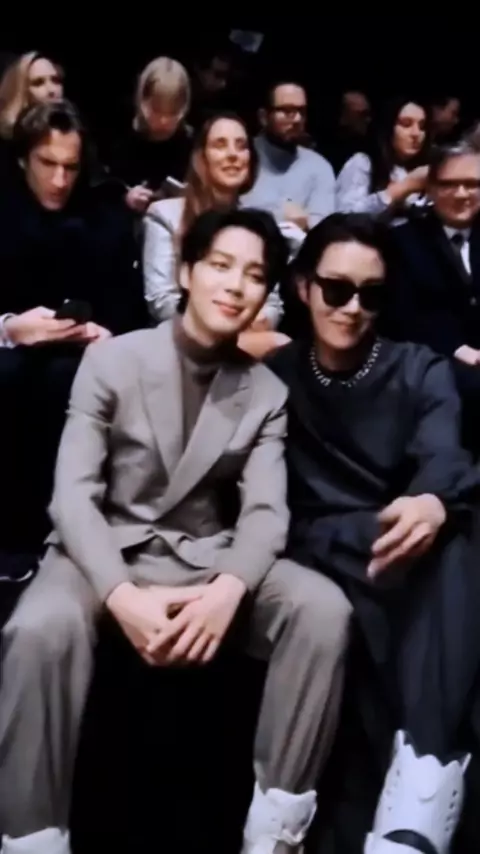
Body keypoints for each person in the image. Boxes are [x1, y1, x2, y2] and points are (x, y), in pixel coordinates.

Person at [0, 208, 351, 854]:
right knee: (38, 627)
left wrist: (229, 589)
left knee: (322, 608)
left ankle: (276, 830)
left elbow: (266, 513)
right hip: (100, 549)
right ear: (187, 272)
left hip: (205, 557)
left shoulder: (265, 393)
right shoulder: (112, 360)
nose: (235, 285)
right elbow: (73, 497)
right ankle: (31, 835)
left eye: (254, 275)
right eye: (220, 265)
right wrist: (119, 595)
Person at [267, 213, 480, 854]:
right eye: (336, 289)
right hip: (316, 546)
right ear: (304, 288)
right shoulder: (275, 375)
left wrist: (433, 498)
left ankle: (419, 783)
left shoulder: (417, 367)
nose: (353, 308)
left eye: (371, 294)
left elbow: (443, 452)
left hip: (399, 539)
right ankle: (424, 787)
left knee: (453, 542)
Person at [0, 99, 147, 549]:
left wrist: (104, 333)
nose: (60, 180)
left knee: (67, 379)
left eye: (70, 167)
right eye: (48, 164)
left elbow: (129, 309)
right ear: (23, 159)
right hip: (10, 357)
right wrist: (9, 327)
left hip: (83, 359)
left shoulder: (103, 217)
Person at [143, 112, 287, 358]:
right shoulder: (165, 215)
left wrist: (254, 320)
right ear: (202, 157)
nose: (233, 154)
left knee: (281, 345)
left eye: (241, 146)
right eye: (220, 145)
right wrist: (222, 325)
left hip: (245, 333)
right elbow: (161, 301)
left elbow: (272, 304)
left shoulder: (259, 224)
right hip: (181, 341)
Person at [107, 57, 192, 214]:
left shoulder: (191, 144)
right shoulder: (121, 138)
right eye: (156, 110)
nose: (163, 120)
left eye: (173, 112)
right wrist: (126, 197)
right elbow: (105, 192)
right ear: (142, 101)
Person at [336, 97, 431, 225]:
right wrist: (402, 188)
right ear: (388, 128)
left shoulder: (428, 167)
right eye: (406, 124)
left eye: (422, 126)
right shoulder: (364, 162)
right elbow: (344, 218)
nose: (416, 133)